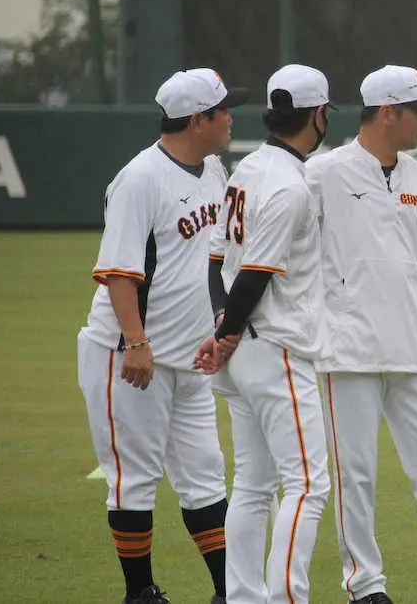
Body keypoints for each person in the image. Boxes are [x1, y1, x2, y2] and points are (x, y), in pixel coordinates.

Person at [304, 65, 417, 604]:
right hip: (348, 346)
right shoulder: (323, 173)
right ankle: (364, 587)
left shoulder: (415, 175)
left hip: (410, 344)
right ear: (388, 112)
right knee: (356, 473)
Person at [77, 67, 248, 604]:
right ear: (199, 120)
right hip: (128, 356)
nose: (231, 119)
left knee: (205, 476)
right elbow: (119, 272)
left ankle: (229, 592)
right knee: (134, 477)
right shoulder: (141, 178)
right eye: (223, 111)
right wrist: (135, 342)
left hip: (190, 356)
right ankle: (141, 593)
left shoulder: (215, 170)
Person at [193, 64, 334, 604]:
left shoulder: (246, 169)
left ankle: (243, 597)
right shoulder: (291, 185)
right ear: (317, 116)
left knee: (252, 486)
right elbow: (255, 274)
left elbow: (215, 263)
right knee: (307, 486)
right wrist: (228, 332)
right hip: (275, 350)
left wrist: (222, 329)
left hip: (242, 351)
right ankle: (286, 598)